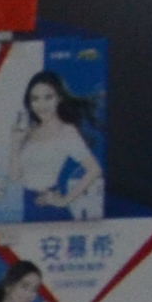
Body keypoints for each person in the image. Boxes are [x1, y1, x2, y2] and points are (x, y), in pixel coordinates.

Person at [18, 71, 107, 219]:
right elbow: (17, 174)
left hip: (49, 206)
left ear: (59, 98)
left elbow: (94, 169)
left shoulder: (66, 131)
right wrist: (15, 144)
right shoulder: (31, 129)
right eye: (35, 99)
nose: (41, 105)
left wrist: (64, 201)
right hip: (26, 204)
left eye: (48, 97)